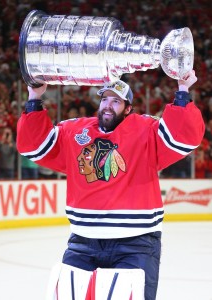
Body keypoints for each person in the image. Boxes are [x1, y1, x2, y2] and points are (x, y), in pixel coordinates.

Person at [16, 70, 205, 300]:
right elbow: (33, 146)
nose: (108, 105)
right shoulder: (77, 131)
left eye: (116, 101)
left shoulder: (145, 130)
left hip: (136, 243)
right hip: (83, 242)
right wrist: (34, 97)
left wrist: (183, 91)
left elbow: (184, 137)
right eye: (104, 99)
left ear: (128, 108)